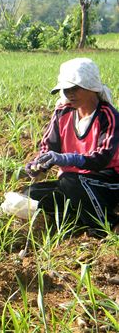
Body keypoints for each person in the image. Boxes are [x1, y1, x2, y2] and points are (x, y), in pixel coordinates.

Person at [24, 58, 119, 233]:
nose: (69, 94)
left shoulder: (108, 116)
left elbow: (102, 158)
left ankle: (110, 225)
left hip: (107, 181)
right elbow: (48, 145)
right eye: (66, 90)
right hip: (74, 181)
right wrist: (40, 164)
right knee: (31, 193)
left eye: (74, 88)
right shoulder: (63, 112)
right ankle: (79, 220)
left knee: (71, 181)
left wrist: (67, 159)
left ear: (91, 87)